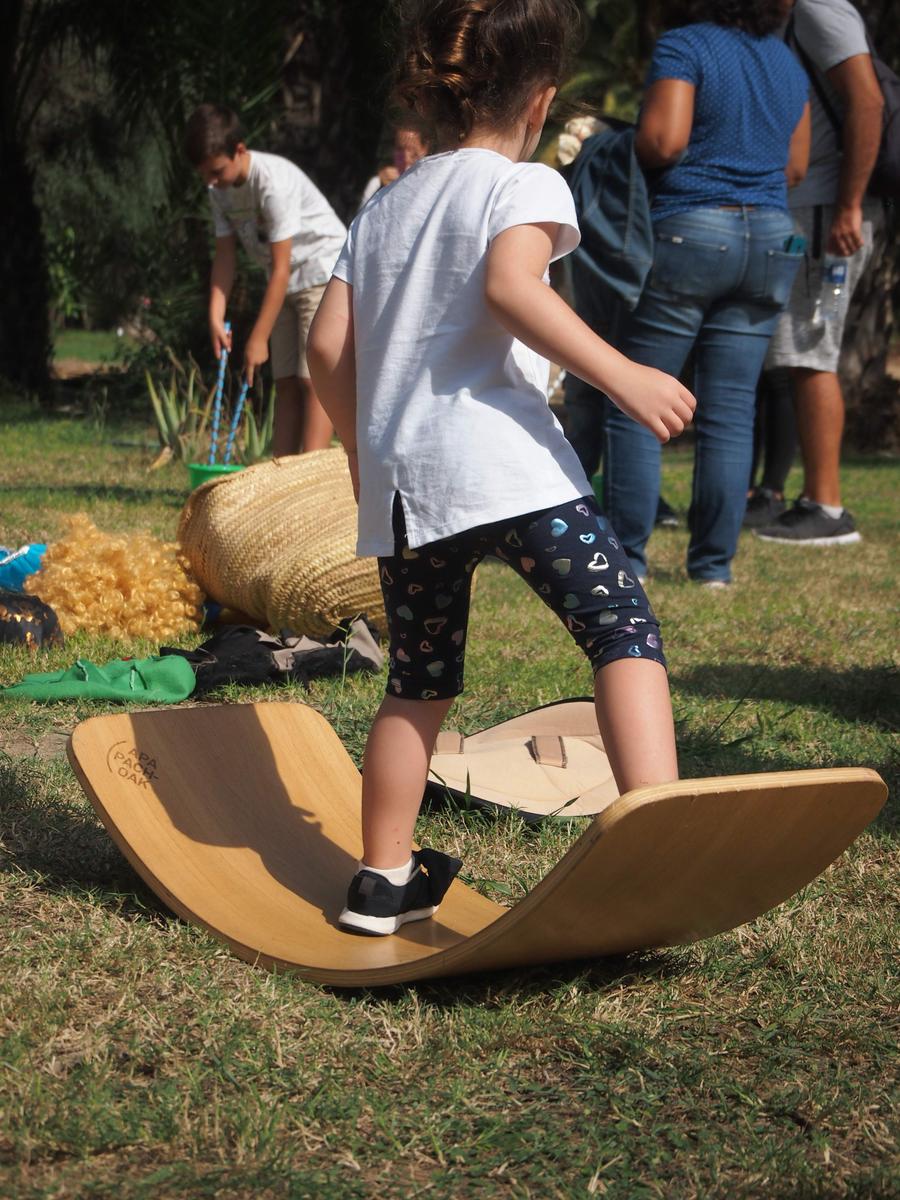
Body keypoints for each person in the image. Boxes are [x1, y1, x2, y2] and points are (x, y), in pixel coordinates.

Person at [307, 0, 696, 937]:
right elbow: (510, 287)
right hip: (509, 470)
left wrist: (365, 453)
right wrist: (626, 374)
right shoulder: (522, 185)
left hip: (408, 488)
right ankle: (661, 847)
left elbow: (326, 348)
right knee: (620, 629)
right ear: (542, 100)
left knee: (420, 677)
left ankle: (382, 881)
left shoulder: (384, 203)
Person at [598, 0, 810, 586]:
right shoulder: (786, 61)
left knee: (636, 398)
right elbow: (796, 166)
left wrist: (615, 145)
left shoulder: (686, 45)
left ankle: (630, 562)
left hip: (692, 226)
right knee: (732, 410)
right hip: (772, 237)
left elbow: (665, 141)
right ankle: (713, 567)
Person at [755, 0, 885, 546]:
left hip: (826, 209)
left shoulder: (818, 9)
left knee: (811, 351)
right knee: (801, 353)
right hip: (819, 206)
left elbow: (867, 101)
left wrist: (849, 205)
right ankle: (809, 499)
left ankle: (826, 507)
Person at [184, 104, 347, 457]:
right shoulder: (218, 191)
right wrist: (215, 313)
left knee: (311, 380)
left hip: (321, 272)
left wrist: (258, 338)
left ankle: (308, 475)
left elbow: (281, 266)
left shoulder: (272, 182)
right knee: (285, 381)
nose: (210, 182)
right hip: (284, 282)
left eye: (216, 171)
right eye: (204, 175)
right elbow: (225, 255)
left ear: (239, 150)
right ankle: (281, 474)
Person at [360, 117, 432, 207]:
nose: (405, 158)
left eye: (412, 151)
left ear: (425, 150)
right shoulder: (377, 184)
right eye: (400, 149)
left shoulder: (432, 186)